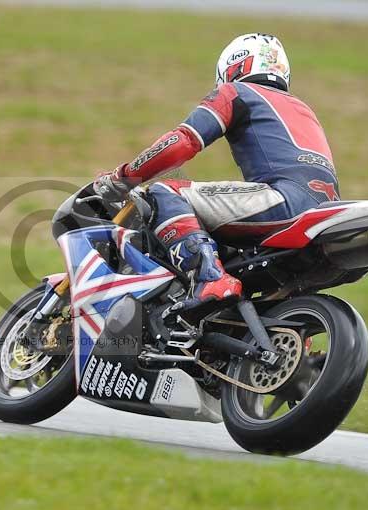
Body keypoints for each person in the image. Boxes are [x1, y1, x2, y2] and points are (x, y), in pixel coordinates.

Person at [94, 33, 340, 311]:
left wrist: (124, 176)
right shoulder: (303, 109)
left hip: (284, 201)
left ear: (234, 67)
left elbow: (181, 143)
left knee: (165, 192)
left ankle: (209, 278)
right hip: (327, 212)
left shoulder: (236, 93)